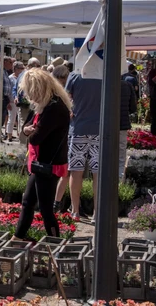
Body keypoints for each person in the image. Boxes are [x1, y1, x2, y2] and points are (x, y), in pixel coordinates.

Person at [14, 68, 71, 240]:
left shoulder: (54, 107)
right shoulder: (44, 105)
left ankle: (55, 242)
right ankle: (18, 238)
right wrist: (27, 130)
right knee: (27, 202)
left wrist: (29, 132)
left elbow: (35, 139)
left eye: (32, 92)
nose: (30, 97)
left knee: (45, 209)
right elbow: (27, 127)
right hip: (40, 164)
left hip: (49, 165)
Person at [56, 71, 102, 219]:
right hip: (100, 129)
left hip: (78, 129)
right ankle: (97, 211)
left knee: (76, 171)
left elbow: (65, 98)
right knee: (98, 173)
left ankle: (75, 210)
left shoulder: (75, 76)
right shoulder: (104, 73)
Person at [5, 61, 25, 143]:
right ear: (16, 69)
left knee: (20, 119)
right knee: (12, 118)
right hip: (12, 101)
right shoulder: (10, 78)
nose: (22, 70)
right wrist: (8, 102)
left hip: (20, 102)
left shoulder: (22, 77)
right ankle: (9, 135)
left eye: (23, 68)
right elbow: (9, 90)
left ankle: (20, 134)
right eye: (21, 68)